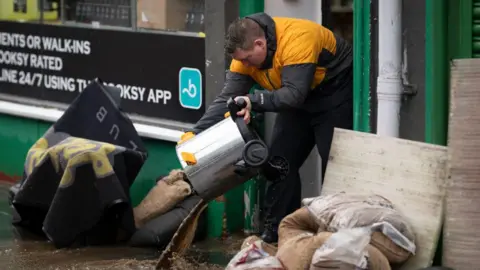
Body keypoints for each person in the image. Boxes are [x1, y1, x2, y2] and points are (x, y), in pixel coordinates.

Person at [186, 12, 353, 243]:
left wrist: (253, 101)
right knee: (278, 162)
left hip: (333, 94)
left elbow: (294, 95)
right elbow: (228, 97)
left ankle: (337, 234)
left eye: (246, 60)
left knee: (334, 164)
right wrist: (194, 134)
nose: (244, 65)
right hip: (295, 98)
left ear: (259, 43)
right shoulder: (244, 55)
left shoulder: (298, 39)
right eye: (241, 61)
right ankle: (279, 232)